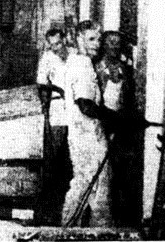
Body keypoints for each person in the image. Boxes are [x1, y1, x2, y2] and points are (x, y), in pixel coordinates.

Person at [61, 20, 115, 227]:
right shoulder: (82, 65)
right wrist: (115, 118)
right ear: (78, 39)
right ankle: (100, 233)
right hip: (88, 139)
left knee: (82, 186)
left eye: (99, 39)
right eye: (91, 39)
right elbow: (85, 105)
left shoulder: (77, 62)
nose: (97, 44)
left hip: (80, 136)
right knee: (100, 190)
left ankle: (66, 229)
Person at [96, 31, 141, 226]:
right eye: (110, 43)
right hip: (104, 122)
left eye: (117, 43)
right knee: (105, 169)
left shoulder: (124, 68)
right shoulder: (98, 68)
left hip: (121, 123)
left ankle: (121, 215)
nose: (114, 47)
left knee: (122, 169)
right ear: (103, 45)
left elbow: (128, 96)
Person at [35, 28, 76, 223]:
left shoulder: (76, 54)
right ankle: (52, 203)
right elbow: (41, 83)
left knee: (73, 151)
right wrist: (56, 89)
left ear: (65, 40)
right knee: (55, 153)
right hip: (59, 107)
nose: (55, 48)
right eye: (51, 45)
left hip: (76, 107)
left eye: (58, 44)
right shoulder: (47, 58)